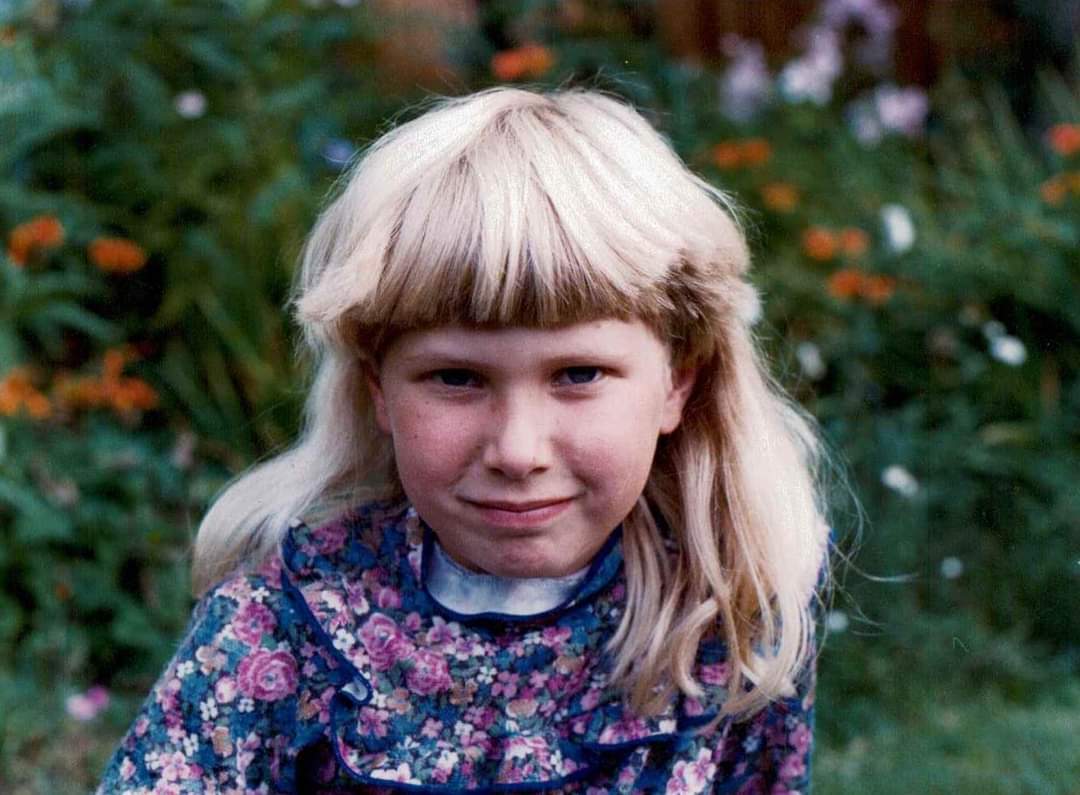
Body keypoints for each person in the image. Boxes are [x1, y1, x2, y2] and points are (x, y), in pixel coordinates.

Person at [96, 85, 831, 794]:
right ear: (377, 387)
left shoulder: (723, 620)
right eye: (456, 378)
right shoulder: (284, 625)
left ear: (677, 381)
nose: (517, 450)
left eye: (578, 373)